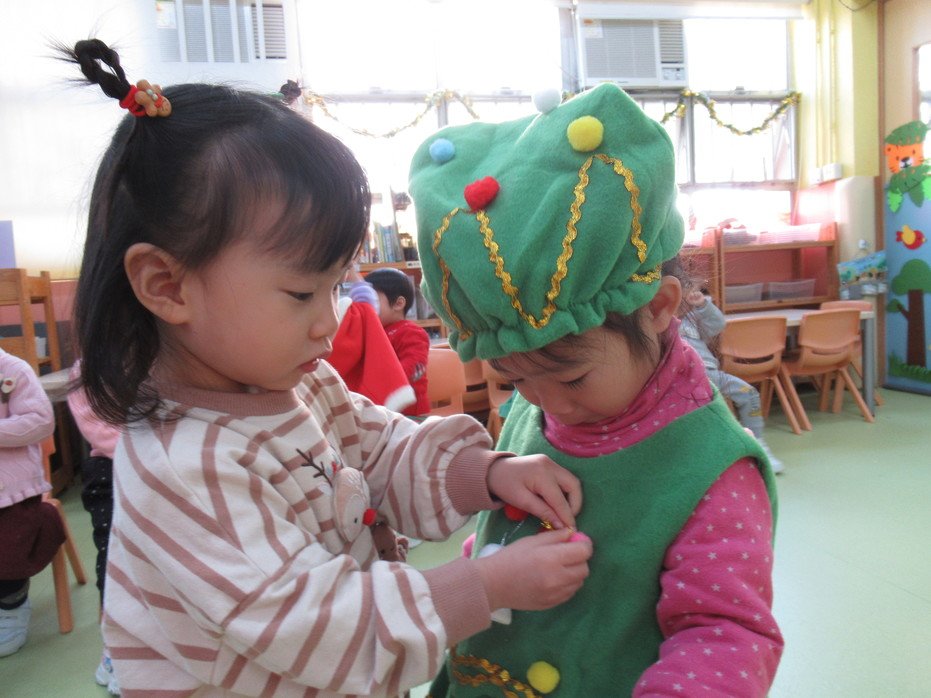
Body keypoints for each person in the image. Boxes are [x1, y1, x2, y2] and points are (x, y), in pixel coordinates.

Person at [62, 38, 592, 697]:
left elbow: (379, 448)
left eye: (336, 286)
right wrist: (484, 587)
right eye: (300, 293)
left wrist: (483, 472)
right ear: (167, 286)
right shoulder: (183, 467)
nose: (330, 320)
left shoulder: (297, 380)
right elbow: (314, 625)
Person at [409, 83, 783, 696]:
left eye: (571, 377)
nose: (545, 403)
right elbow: (503, 534)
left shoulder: (713, 468)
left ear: (658, 308)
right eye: (514, 378)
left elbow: (725, 633)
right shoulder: (537, 403)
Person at [679, 289, 786, 474]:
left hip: (712, 374)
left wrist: (702, 305)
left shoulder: (691, 319)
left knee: (749, 393)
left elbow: (717, 324)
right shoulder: (659, 325)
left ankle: (757, 442)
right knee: (704, 415)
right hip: (686, 380)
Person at [0, 348, 60, 657]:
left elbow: (41, 422)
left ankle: (12, 604)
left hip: (13, 491)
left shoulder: (12, 370)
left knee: (8, 542)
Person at [66, 360, 121, 694]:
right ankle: (115, 650)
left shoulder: (172, 351)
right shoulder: (88, 367)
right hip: (110, 469)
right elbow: (97, 427)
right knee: (113, 562)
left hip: (170, 463)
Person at [361, 267, 431, 417]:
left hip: (411, 414)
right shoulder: (374, 332)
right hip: (383, 410)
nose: (366, 308)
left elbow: (415, 365)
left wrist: (382, 380)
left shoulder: (411, 332)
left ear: (398, 304)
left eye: (372, 301)